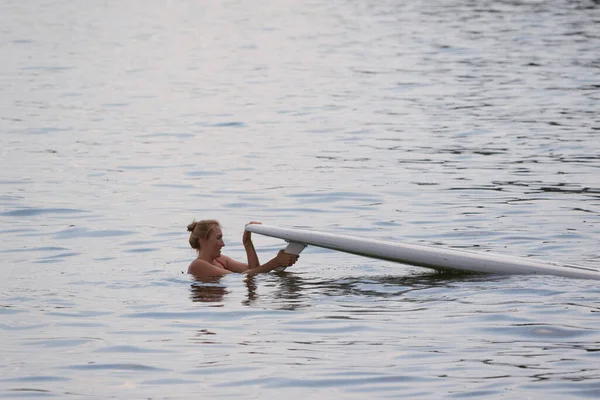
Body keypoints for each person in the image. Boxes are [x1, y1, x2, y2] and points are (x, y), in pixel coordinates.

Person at [187, 220, 299, 277]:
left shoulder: (222, 260)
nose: (223, 244)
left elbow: (254, 270)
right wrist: (276, 262)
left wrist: (247, 242)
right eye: (218, 238)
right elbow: (240, 278)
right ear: (203, 241)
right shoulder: (198, 265)